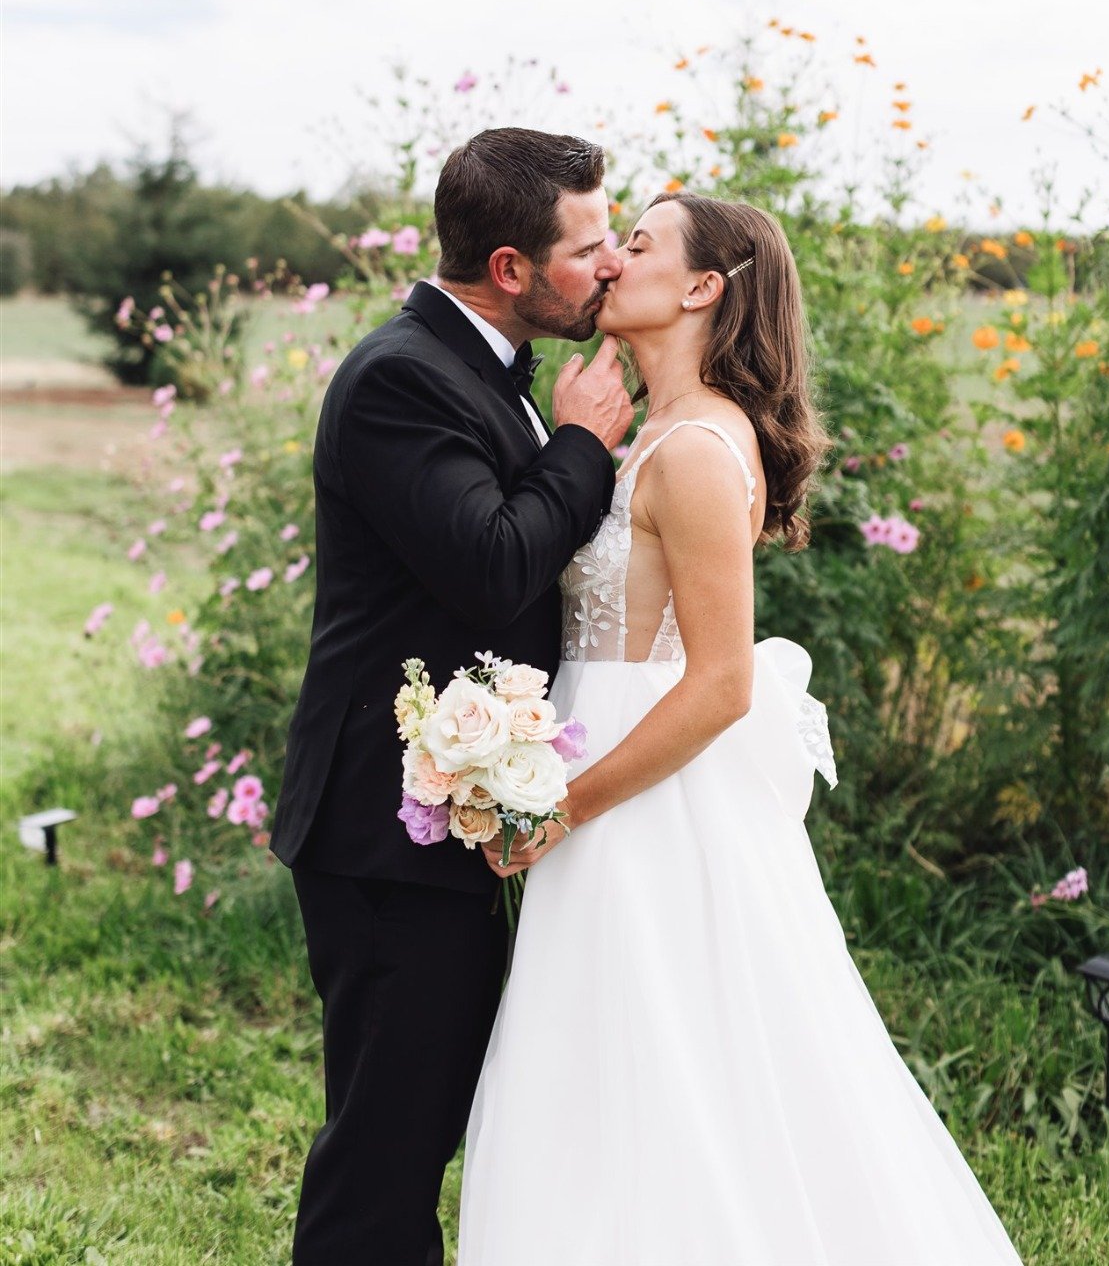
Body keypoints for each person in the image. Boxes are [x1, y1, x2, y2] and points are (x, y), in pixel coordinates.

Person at [458, 190, 1024, 1266]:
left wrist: (563, 809)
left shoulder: (702, 455)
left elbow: (720, 684)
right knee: (603, 1062)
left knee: (680, 1059)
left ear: (707, 285)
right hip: (597, 776)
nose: (612, 264)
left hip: (647, 800)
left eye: (638, 244)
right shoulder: (645, 433)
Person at [270, 127, 633, 1266]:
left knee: (422, 1132)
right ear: (512, 269)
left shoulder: (481, 367)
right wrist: (580, 449)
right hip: (384, 836)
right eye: (588, 247)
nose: (613, 263)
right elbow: (488, 564)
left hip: (449, 824)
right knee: (381, 1162)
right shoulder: (399, 380)